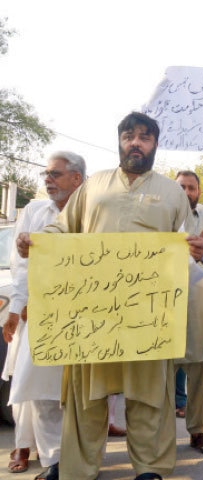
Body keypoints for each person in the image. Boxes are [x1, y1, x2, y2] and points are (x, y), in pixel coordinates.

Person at [16, 112, 203, 480]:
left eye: (145, 137)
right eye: (129, 136)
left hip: (150, 315)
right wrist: (35, 243)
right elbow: (62, 229)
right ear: (119, 141)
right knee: (86, 395)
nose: (136, 143)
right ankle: (76, 467)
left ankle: (150, 468)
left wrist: (198, 250)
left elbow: (192, 245)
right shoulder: (94, 186)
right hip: (95, 312)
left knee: (149, 395)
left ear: (155, 144)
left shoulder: (171, 192)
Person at [2, 151, 85, 480]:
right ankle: (52, 460)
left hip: (79, 315)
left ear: (77, 179)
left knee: (73, 394)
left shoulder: (91, 213)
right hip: (36, 313)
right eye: (46, 174)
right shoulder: (36, 210)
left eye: (55, 174)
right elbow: (20, 264)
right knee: (38, 389)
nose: (48, 180)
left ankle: (71, 457)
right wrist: (15, 307)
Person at [174, 170, 203, 455]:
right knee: (164, 372)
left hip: (201, 303)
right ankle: (161, 433)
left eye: (191, 187)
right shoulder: (160, 216)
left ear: (199, 191)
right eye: (181, 187)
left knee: (200, 370)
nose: (187, 192)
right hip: (167, 305)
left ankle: (199, 430)